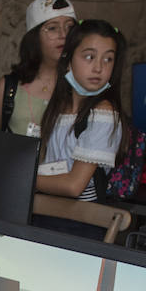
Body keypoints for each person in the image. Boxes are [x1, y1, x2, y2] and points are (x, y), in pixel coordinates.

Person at [33, 19, 130, 235]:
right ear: (68, 60)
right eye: (89, 57)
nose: (98, 67)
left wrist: (25, 179)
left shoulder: (103, 113)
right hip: (45, 213)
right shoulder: (58, 109)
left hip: (78, 223)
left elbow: (74, 186)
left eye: (108, 59)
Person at [0, 0, 77, 136]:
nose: (63, 34)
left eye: (69, 27)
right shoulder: (8, 88)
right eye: (53, 28)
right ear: (34, 37)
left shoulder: (81, 87)